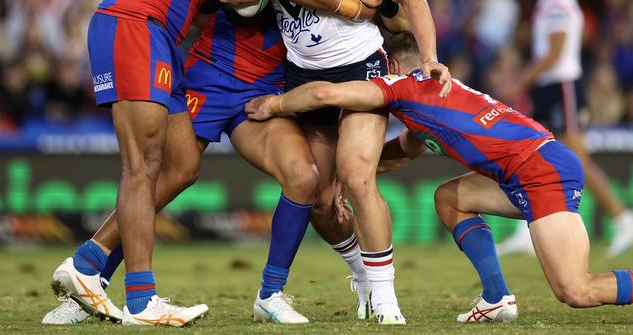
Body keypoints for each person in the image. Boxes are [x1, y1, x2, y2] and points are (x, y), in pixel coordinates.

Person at [48, 0, 374, 327]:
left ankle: (92, 268)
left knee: (182, 167)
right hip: (189, 59)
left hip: (249, 81)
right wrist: (350, 7)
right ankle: (121, 292)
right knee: (145, 169)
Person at [246, 32, 633, 323]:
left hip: (541, 172)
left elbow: (322, 96)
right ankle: (497, 298)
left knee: (576, 290)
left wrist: (275, 104)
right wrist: (351, 173)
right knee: (450, 198)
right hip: (530, 166)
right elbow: (402, 152)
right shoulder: (434, 95)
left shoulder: (401, 86)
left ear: (391, 64)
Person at [267, 0, 450, 325]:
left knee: (356, 175)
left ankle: (386, 299)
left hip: (361, 68)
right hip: (303, 75)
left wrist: (429, 57)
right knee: (320, 199)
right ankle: (361, 274)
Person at [497, 0, 633, 257]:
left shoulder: (558, 0)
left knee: (577, 159)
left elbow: (555, 53)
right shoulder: (549, 1)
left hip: (563, 87)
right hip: (550, 86)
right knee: (535, 157)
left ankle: (623, 218)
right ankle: (527, 231)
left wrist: (519, 81)